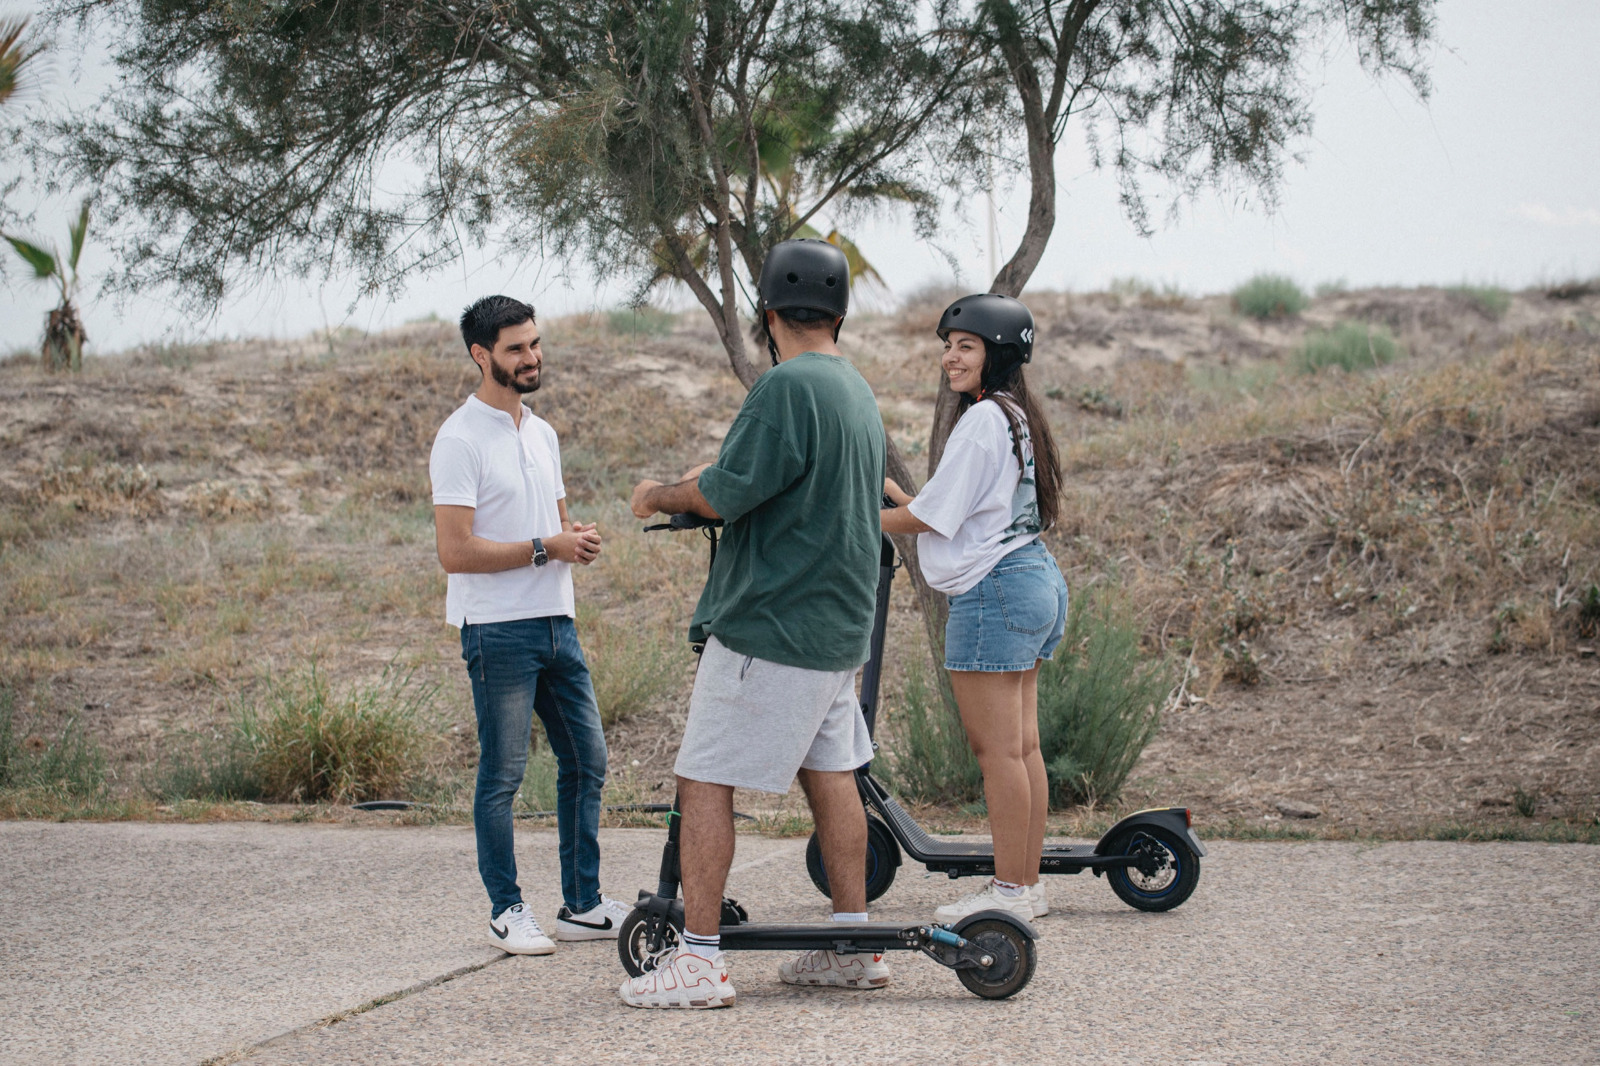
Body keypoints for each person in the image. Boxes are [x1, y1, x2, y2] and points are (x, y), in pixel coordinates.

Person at [620, 239, 887, 1009]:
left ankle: (699, 962)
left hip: (773, 627)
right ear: (839, 313)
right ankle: (852, 943)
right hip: (840, 632)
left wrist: (658, 494)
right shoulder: (855, 391)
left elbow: (727, 491)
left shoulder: (785, 388)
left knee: (703, 777)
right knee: (832, 775)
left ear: (768, 314)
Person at [430, 295, 632, 955]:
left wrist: (578, 539)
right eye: (516, 348)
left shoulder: (542, 433)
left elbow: (557, 524)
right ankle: (506, 910)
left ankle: (582, 904)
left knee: (588, 760)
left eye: (535, 344)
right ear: (481, 355)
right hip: (497, 630)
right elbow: (455, 552)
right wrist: (548, 547)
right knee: (504, 774)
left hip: (556, 624)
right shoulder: (459, 438)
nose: (531, 357)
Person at [880, 293, 1068, 923]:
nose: (949, 357)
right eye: (947, 345)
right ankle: (1026, 884)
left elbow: (928, 518)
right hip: (1031, 577)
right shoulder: (1014, 416)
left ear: (998, 353)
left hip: (996, 593)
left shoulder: (982, 420)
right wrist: (897, 497)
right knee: (1023, 749)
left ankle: (1009, 893)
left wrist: (849, 514)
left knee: (998, 755)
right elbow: (957, 512)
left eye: (965, 346)